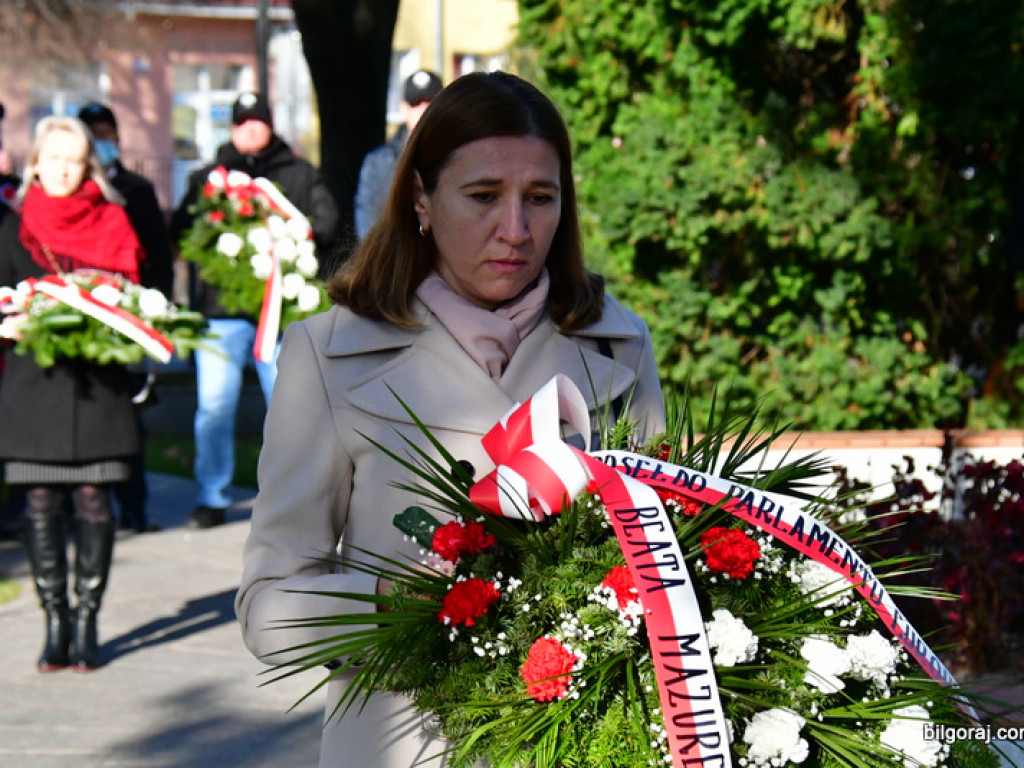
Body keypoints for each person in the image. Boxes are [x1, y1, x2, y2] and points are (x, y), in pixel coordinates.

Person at [235, 71, 666, 768]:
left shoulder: (619, 344)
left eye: (541, 198)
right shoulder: (328, 353)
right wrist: (386, 600)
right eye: (484, 196)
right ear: (421, 200)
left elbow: (663, 550)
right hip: (404, 744)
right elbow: (266, 609)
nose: (517, 230)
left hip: (588, 744)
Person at [0, 116, 144, 671]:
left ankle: (87, 619)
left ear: (89, 166)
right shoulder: (13, 225)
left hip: (97, 386)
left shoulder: (114, 221)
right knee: (40, 501)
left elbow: (137, 297)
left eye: (74, 159)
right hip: (34, 385)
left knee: (92, 499)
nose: (62, 169)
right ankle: (53, 618)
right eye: (53, 158)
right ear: (35, 163)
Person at [169, 91, 340, 530]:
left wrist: (282, 232)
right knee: (214, 406)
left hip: (278, 315)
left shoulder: (299, 175)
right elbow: (181, 229)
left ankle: (294, 496)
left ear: (269, 123)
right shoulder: (209, 177)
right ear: (232, 127)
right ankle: (211, 495)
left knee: (289, 406)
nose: (249, 129)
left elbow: (326, 222)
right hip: (220, 312)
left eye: (257, 121)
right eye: (241, 121)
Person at [78, 101, 175, 534]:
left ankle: (133, 508)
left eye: (106, 131)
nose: (102, 140)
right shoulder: (74, 188)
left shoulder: (136, 189)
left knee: (127, 417)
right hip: (80, 317)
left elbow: (158, 253)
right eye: (92, 132)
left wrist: (157, 310)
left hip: (127, 317)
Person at [353, 68, 443, 239]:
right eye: (416, 103)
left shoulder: (461, 159)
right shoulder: (378, 164)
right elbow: (367, 226)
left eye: (430, 103)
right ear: (404, 109)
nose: (423, 111)